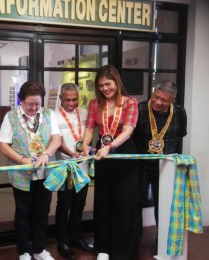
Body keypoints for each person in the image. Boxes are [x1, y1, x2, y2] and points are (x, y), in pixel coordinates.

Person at [0, 81, 61, 260]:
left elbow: (56, 139)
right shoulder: (11, 117)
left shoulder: (48, 114)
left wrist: (46, 154)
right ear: (21, 101)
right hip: (22, 173)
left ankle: (40, 249)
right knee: (23, 212)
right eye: (30, 104)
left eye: (37, 103)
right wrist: (22, 160)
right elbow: (3, 145)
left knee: (42, 211)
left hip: (45, 171)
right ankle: (24, 250)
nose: (34, 107)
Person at [81, 65, 139, 260]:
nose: (105, 89)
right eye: (101, 86)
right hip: (103, 155)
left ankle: (122, 250)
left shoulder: (129, 102)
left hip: (122, 152)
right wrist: (85, 145)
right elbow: (89, 128)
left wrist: (110, 146)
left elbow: (128, 130)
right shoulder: (94, 104)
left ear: (117, 82)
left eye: (108, 84)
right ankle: (103, 248)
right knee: (103, 200)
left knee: (124, 202)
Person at [133, 80, 187, 233]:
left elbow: (180, 135)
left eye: (163, 100)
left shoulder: (180, 112)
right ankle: (135, 240)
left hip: (165, 167)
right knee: (136, 203)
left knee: (164, 203)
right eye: (155, 97)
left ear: (172, 100)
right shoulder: (140, 109)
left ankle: (163, 239)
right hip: (141, 166)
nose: (157, 102)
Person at [54, 83, 94, 260]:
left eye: (75, 99)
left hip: (83, 165)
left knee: (79, 204)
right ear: (61, 98)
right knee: (64, 205)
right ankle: (62, 241)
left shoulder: (84, 113)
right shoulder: (53, 116)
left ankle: (76, 238)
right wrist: (71, 153)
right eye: (68, 99)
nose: (71, 103)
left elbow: (89, 132)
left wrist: (84, 148)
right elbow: (56, 140)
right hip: (65, 165)